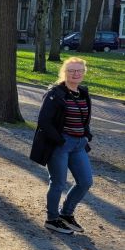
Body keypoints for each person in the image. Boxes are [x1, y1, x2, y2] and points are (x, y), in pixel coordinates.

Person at [30, 57, 94, 235]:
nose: (76, 73)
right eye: (71, 70)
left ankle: (66, 214)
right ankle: (52, 219)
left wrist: (87, 136)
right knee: (58, 183)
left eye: (79, 70)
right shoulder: (55, 93)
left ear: (83, 73)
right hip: (61, 144)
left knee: (86, 181)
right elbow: (44, 120)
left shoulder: (83, 92)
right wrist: (60, 140)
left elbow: (84, 118)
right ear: (64, 72)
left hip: (79, 144)